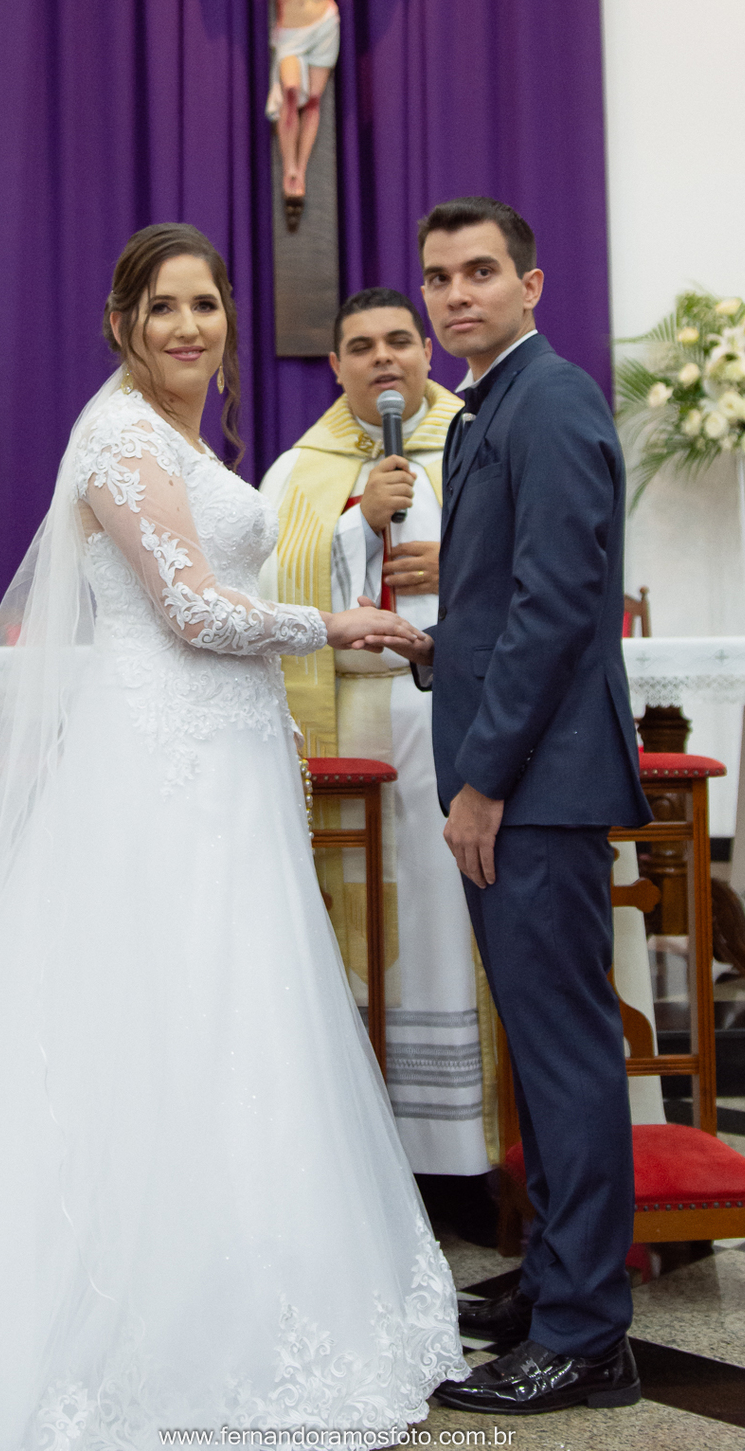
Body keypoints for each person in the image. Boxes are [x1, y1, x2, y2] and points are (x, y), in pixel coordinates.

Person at [0, 224, 466, 1445]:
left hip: (221, 758)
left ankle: (235, 1275)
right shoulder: (120, 437)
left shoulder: (184, 437)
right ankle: (132, 1316)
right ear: (124, 323)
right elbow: (184, 608)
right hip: (161, 764)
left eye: (204, 304)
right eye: (163, 307)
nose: (189, 325)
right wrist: (336, 628)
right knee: (162, 1014)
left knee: (230, 1016)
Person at [361, 197, 653, 1418]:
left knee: (568, 1053)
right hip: (514, 766)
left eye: (481, 272)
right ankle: (554, 1276)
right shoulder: (492, 402)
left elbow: (556, 608)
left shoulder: (553, 399)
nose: (456, 293)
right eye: (439, 277)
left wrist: (479, 784)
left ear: (533, 284)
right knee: (539, 1050)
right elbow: (496, 610)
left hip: (532, 785)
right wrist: (431, 652)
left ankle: (588, 1336)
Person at [259, 289, 498, 1230]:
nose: (384, 359)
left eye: (400, 339)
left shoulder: (484, 437)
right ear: (337, 367)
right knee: (362, 935)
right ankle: (366, 1152)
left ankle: (466, 1157)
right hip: (349, 721)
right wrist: (358, 522)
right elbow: (266, 588)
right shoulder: (301, 469)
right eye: (361, 347)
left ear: (426, 346)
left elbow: (550, 561)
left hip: (459, 729)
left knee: (451, 928)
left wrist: (458, 567)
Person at [150, 0, 442, 224]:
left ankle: (299, 171)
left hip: (323, 27)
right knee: (291, 91)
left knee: (314, 100)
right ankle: (288, 165)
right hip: (291, 31)